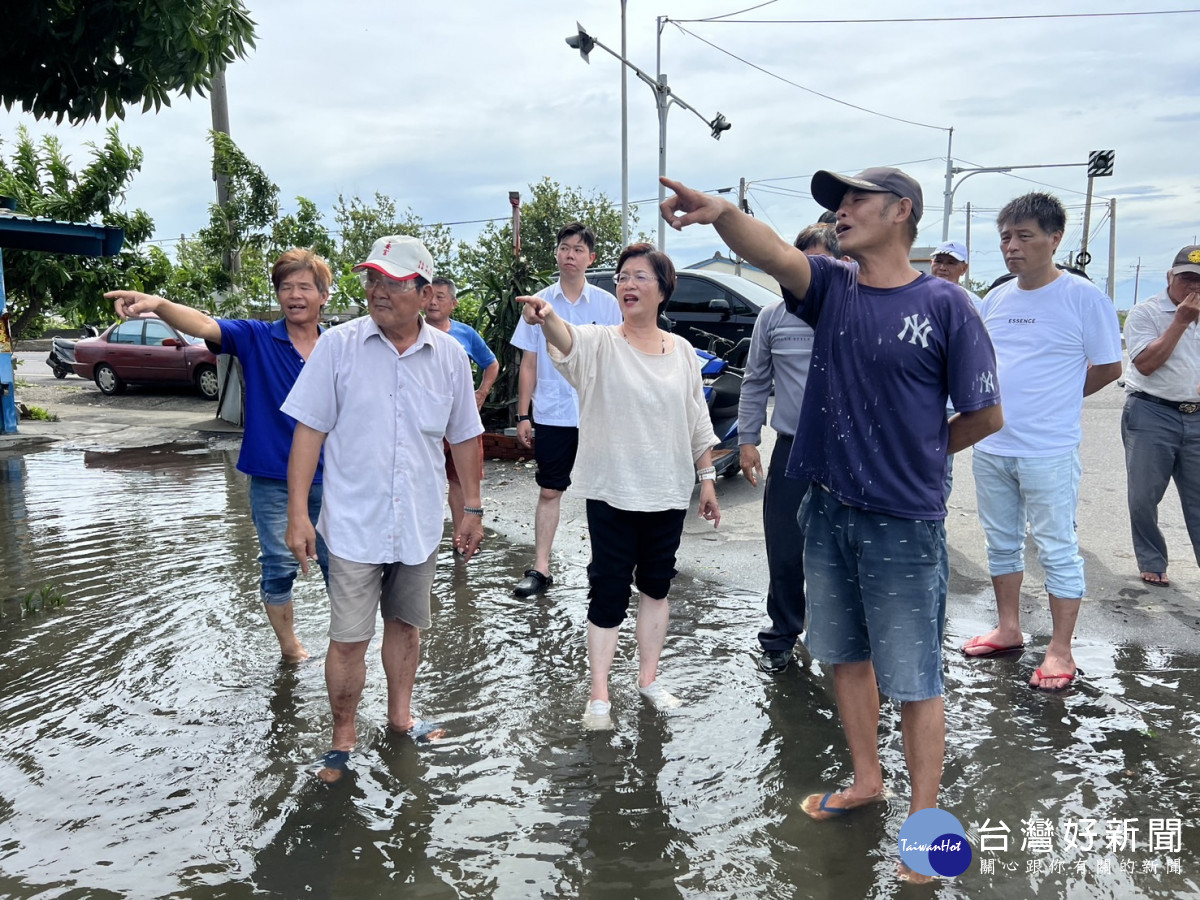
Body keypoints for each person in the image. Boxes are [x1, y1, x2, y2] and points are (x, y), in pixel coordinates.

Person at [660, 167, 1002, 856]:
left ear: (902, 211)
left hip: (905, 520)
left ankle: (925, 823)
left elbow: (985, 414)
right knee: (843, 655)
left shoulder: (946, 305)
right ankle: (868, 779)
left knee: (913, 674)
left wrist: (920, 454)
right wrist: (723, 212)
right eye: (836, 204)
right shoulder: (834, 290)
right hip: (826, 507)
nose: (841, 212)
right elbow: (773, 254)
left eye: (856, 200)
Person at [282, 235, 484, 783]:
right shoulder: (339, 347)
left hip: (418, 522)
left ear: (424, 292)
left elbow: (465, 438)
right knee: (349, 637)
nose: (377, 290)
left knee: (407, 627)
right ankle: (342, 738)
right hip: (352, 523)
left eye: (392, 282)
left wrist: (473, 508)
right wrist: (298, 514)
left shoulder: (449, 357)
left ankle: (400, 719)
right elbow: (308, 432)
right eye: (372, 279)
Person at [516, 242, 720, 731]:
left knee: (655, 587)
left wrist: (708, 478)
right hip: (611, 490)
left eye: (640, 277)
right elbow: (566, 340)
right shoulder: (601, 341)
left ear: (663, 289)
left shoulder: (684, 353)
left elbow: (697, 418)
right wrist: (546, 317)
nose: (627, 284)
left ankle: (649, 680)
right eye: (622, 277)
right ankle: (600, 694)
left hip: (668, 491)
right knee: (607, 590)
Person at [104, 249, 332, 663]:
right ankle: (291, 649)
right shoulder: (257, 337)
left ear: (323, 295)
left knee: (344, 567)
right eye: (286, 287)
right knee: (278, 563)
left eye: (304, 287)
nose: (294, 295)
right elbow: (205, 324)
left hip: (335, 478)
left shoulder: (339, 346)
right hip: (271, 475)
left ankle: (346, 647)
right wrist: (157, 305)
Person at [963, 193, 1123, 693]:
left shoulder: (1083, 297)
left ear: (1055, 239)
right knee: (1001, 541)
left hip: (1048, 449)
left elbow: (1110, 366)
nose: (1012, 247)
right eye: (1006, 237)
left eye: (1024, 236)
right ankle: (1008, 628)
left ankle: (1060, 648)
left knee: (1056, 547)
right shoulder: (997, 297)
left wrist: (1056, 397)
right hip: (991, 444)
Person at [737, 223, 837, 674]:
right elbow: (755, 380)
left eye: (817, 266)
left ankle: (842, 638)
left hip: (845, 452)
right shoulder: (771, 318)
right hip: (793, 448)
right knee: (785, 545)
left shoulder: (850, 311)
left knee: (845, 548)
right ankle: (781, 633)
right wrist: (747, 439)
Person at [510, 222, 621, 597]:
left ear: (591, 258)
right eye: (564, 248)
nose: (570, 255)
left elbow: (617, 361)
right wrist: (523, 415)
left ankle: (601, 567)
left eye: (578, 249)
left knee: (602, 494)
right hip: (554, 413)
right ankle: (540, 569)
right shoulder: (538, 303)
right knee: (549, 490)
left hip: (596, 413)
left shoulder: (608, 305)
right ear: (556, 254)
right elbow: (528, 363)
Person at [1120, 244, 1200, 587]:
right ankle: (1152, 559)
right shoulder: (1146, 312)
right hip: (1151, 411)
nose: (1193, 288)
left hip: (1195, 415)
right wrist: (1181, 321)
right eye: (1186, 279)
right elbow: (1147, 365)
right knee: (1144, 495)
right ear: (1170, 276)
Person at [424, 276, 499, 539]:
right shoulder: (411, 331)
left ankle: (460, 536)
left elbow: (492, 364)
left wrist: (481, 393)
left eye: (440, 297)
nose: (433, 302)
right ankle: (423, 539)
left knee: (459, 481)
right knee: (422, 479)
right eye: (429, 295)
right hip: (425, 419)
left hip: (459, 419)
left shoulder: (465, 334)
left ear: (453, 303)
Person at [929, 240, 982, 305]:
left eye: (950, 263)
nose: (942, 268)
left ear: (964, 269)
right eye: (938, 261)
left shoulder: (973, 303)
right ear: (931, 263)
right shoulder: (917, 295)